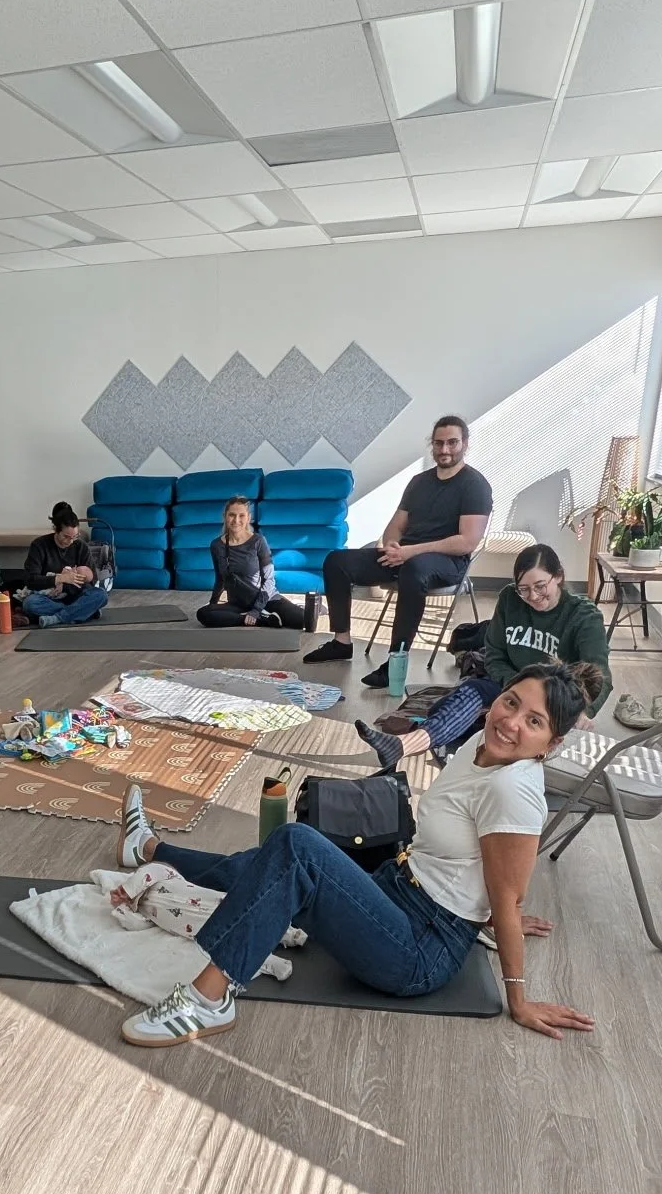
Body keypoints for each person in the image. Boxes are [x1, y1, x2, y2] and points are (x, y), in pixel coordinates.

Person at [113, 660, 601, 1047]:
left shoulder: (515, 791)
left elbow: (506, 892)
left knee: (295, 847)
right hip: (400, 883)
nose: (511, 722)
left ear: (551, 743)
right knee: (267, 865)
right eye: (511, 703)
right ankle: (151, 850)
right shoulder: (481, 739)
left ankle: (208, 1000)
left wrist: (518, 995)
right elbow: (480, 868)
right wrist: (495, 911)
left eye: (533, 721)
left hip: (419, 947)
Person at [354, 542, 613, 770]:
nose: (532, 596)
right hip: (508, 685)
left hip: (551, 699)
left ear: (558, 577)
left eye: (540, 586)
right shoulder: (510, 599)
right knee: (469, 694)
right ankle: (402, 745)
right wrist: (514, 689)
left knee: (497, 729)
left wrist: (582, 711)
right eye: (524, 589)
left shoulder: (583, 616)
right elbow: (494, 655)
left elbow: (600, 677)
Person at [307, 416, 493, 688]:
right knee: (336, 561)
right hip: (405, 556)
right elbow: (395, 526)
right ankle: (341, 641)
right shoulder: (419, 482)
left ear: (464, 443)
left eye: (452, 443)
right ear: (432, 445)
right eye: (439, 443)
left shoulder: (475, 485)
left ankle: (396, 659)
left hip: (447, 562)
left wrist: (410, 552)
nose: (444, 450)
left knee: (414, 570)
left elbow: (466, 542)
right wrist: (393, 544)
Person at [196, 497, 303, 629]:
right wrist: (213, 604)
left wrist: (256, 609)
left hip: (265, 600)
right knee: (203, 614)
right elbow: (220, 579)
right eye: (232, 515)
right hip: (238, 604)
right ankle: (262, 620)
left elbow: (269, 580)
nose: (236, 520)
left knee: (302, 620)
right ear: (225, 516)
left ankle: (293, 608)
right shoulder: (216, 545)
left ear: (248, 518)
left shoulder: (258, 541)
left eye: (241, 515)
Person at [22, 502, 111, 625]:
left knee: (101, 595)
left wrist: (65, 585)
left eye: (75, 536)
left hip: (76, 596)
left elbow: (91, 580)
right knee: (30, 604)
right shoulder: (39, 545)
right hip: (49, 598)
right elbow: (30, 579)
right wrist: (59, 578)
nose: (70, 541)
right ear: (55, 530)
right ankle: (84, 611)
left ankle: (58, 618)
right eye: (66, 537)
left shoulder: (80, 546)